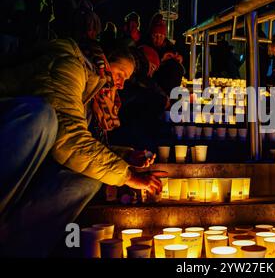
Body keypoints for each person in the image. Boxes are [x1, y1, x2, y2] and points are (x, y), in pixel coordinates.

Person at [0, 38, 166, 256]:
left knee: (90, 177)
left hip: (40, 157)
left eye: (125, 79)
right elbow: (69, 139)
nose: (121, 84)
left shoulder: (92, 86)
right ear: (105, 60)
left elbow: (83, 141)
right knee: (42, 116)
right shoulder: (67, 65)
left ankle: (18, 246)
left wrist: (124, 155)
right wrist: (127, 176)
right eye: (120, 74)